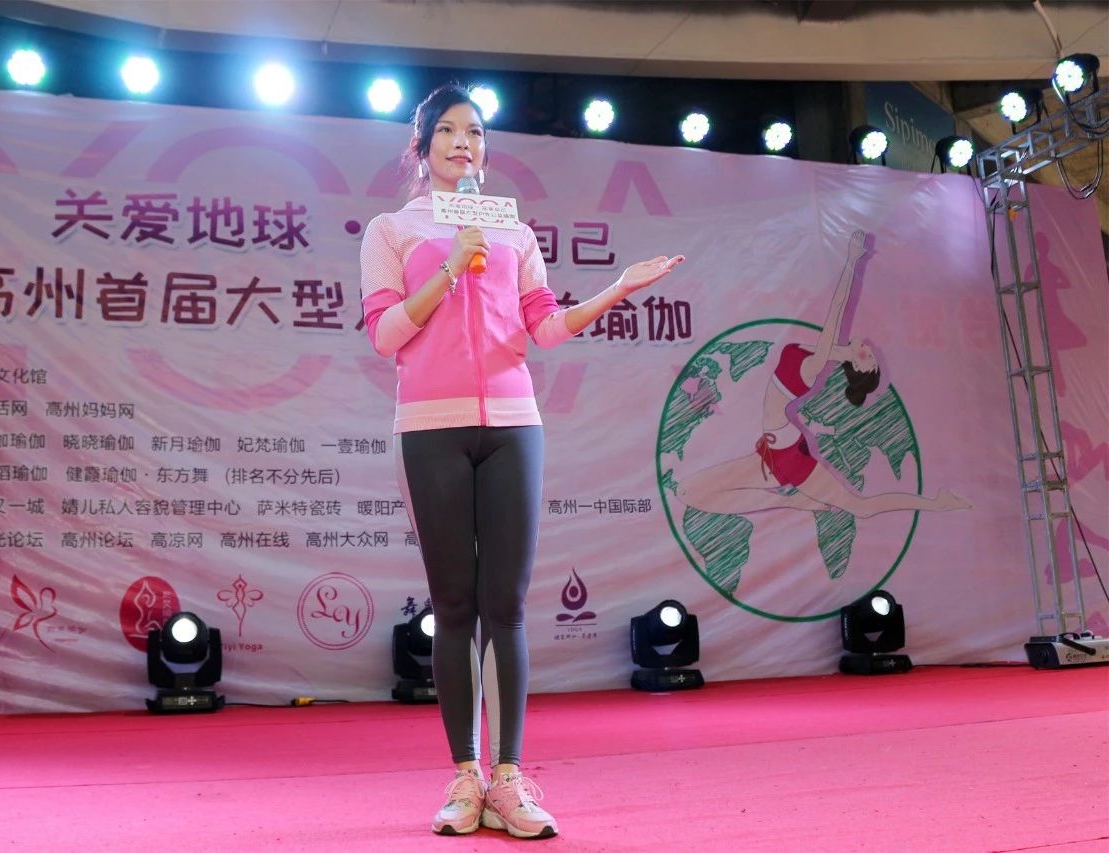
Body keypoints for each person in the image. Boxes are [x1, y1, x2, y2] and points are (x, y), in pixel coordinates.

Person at [359, 83, 684, 839]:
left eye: (475, 132)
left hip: (513, 423)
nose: (463, 143)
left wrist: (616, 290)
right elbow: (385, 335)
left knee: (504, 605)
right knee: (454, 604)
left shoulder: (513, 233)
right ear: (421, 149)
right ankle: (464, 777)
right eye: (448, 131)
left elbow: (544, 328)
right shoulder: (391, 230)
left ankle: (507, 780)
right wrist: (449, 268)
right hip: (431, 426)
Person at [678, 229, 970, 519]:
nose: (869, 350)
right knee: (686, 492)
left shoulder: (815, 364)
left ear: (858, 367)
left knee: (860, 508)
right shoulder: (826, 354)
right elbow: (836, 340)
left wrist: (852, 261)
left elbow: (838, 307)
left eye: (868, 359)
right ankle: (792, 502)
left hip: (788, 455)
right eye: (872, 355)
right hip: (774, 451)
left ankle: (937, 503)